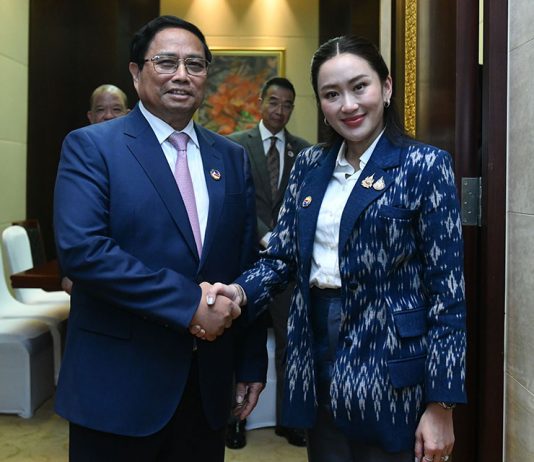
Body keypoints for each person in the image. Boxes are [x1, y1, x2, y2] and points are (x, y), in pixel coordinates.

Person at [205, 35, 467, 462]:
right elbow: (282, 256)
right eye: (332, 94)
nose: (348, 105)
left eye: (359, 87)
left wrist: (442, 403)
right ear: (321, 105)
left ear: (386, 87)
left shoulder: (425, 165)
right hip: (316, 353)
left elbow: (448, 295)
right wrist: (238, 292)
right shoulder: (309, 165)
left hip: (392, 369)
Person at [53, 15, 266, 462]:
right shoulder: (92, 147)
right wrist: (189, 304)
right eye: (166, 62)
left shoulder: (231, 157)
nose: (182, 75)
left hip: (206, 387)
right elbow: (84, 252)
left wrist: (250, 362)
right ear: (136, 72)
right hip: (117, 388)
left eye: (195, 64)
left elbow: (245, 264)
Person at [225, 76, 310, 449]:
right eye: (273, 102)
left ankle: (290, 420)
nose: (280, 110)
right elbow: (235, 199)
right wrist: (264, 234)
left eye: (287, 104)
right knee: (238, 339)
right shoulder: (235, 146)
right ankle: (235, 420)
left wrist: (284, 239)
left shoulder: (304, 151)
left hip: (286, 266)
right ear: (260, 102)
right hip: (245, 260)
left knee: (292, 342)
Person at [60, 84, 132, 296]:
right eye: (100, 110)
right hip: (93, 270)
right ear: (90, 117)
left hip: (137, 272)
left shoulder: (143, 154)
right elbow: (69, 224)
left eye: (116, 109)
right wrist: (66, 272)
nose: (108, 115)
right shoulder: (78, 153)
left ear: (128, 114)